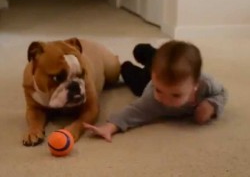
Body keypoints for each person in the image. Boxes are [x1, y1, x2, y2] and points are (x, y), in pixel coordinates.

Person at [83, 40, 228, 142]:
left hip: (158, 73)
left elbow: (222, 93)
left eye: (176, 95)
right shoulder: (152, 96)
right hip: (146, 80)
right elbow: (134, 111)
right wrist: (110, 127)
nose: (165, 99)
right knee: (137, 80)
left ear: (194, 85)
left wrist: (211, 105)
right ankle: (127, 66)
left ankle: (149, 53)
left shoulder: (206, 84)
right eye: (159, 91)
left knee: (160, 61)